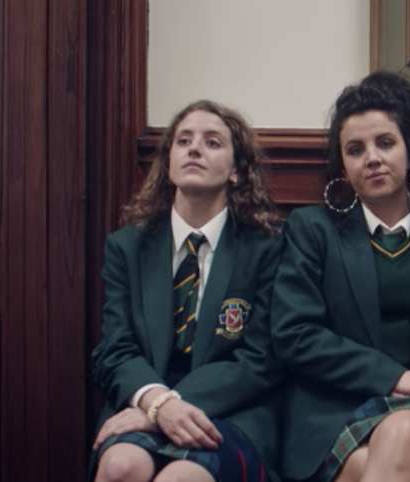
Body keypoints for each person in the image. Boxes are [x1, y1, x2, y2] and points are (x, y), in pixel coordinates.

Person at [271, 71, 410, 482]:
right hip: (332, 414)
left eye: (385, 143)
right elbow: (295, 334)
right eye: (355, 149)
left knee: (402, 429)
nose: (372, 158)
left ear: (408, 149)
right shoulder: (312, 230)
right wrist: (393, 377)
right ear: (342, 164)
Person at [90, 100, 284, 482]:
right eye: (183, 141)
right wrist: (155, 403)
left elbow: (262, 358)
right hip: (143, 399)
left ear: (237, 171)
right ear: (168, 164)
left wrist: (170, 405)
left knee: (180, 479)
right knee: (118, 467)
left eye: (212, 142)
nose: (194, 148)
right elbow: (114, 349)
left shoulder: (267, 249)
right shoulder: (126, 247)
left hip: (231, 409)